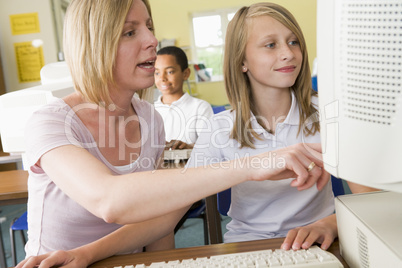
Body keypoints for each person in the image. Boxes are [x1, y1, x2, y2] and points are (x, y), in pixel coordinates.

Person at [17, 0, 331, 267]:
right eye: (130, 32)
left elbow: (162, 217)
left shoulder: (150, 119)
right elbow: (109, 200)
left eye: (149, 27)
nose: (153, 40)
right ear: (95, 44)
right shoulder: (51, 121)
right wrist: (252, 165)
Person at [186, 2, 376, 252]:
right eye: (271, 45)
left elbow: (372, 201)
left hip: (317, 243)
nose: (288, 53)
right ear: (242, 60)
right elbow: (178, 197)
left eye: (294, 41)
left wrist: (332, 223)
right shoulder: (220, 127)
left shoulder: (329, 113)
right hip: (248, 245)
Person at [154, 46, 213, 150]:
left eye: (170, 72)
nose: (162, 78)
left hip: (190, 165)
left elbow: (210, 145)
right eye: (157, 72)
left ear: (185, 74)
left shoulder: (200, 107)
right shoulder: (150, 110)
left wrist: (189, 147)